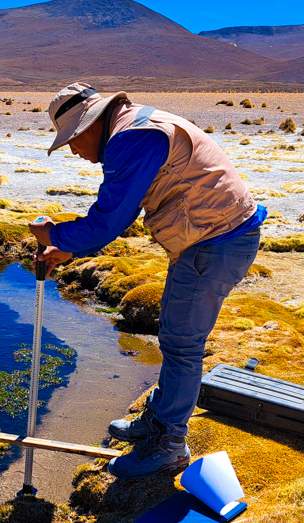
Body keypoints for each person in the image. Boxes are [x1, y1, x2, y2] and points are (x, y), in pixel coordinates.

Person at [29, 83, 266, 479]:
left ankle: (170, 445)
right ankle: (158, 419)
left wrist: (53, 236)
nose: (73, 149)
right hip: (212, 238)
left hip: (217, 242)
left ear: (90, 124)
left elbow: (108, 222)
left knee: (183, 345)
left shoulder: (131, 138)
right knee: (175, 336)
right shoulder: (134, 126)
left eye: (73, 138)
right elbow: (117, 211)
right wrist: (68, 248)